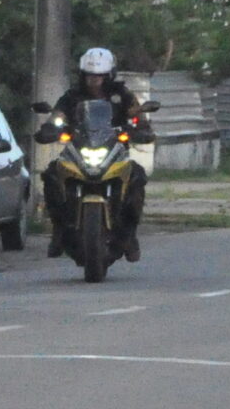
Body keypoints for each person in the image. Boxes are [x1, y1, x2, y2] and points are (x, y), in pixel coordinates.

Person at [44, 47, 151, 262]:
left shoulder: (122, 95)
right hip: (79, 150)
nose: (95, 80)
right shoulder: (73, 96)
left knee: (137, 176)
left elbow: (137, 115)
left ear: (109, 75)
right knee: (51, 175)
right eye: (90, 75)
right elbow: (58, 114)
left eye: (100, 75)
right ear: (83, 75)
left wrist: (140, 126)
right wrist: (51, 127)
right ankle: (58, 230)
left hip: (114, 151)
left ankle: (130, 234)